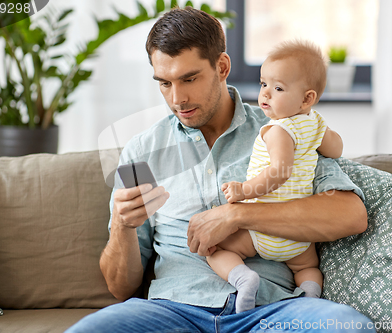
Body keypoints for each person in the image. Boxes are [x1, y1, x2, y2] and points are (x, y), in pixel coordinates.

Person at [66, 7, 373, 333]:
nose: (177, 99)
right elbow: (120, 287)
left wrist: (237, 216)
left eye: (189, 79)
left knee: (347, 327)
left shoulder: (285, 129)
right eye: (164, 83)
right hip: (174, 310)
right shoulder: (140, 152)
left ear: (222, 66)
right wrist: (123, 227)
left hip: (271, 311)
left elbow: (351, 215)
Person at [208, 40, 342, 314]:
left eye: (278, 88)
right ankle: (310, 293)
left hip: (264, 230)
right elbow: (336, 149)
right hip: (298, 236)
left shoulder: (277, 130)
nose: (266, 94)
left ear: (307, 98)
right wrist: (322, 133)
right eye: (263, 84)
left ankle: (243, 278)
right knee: (307, 267)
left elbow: (280, 171)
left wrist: (244, 191)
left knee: (213, 246)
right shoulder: (315, 123)